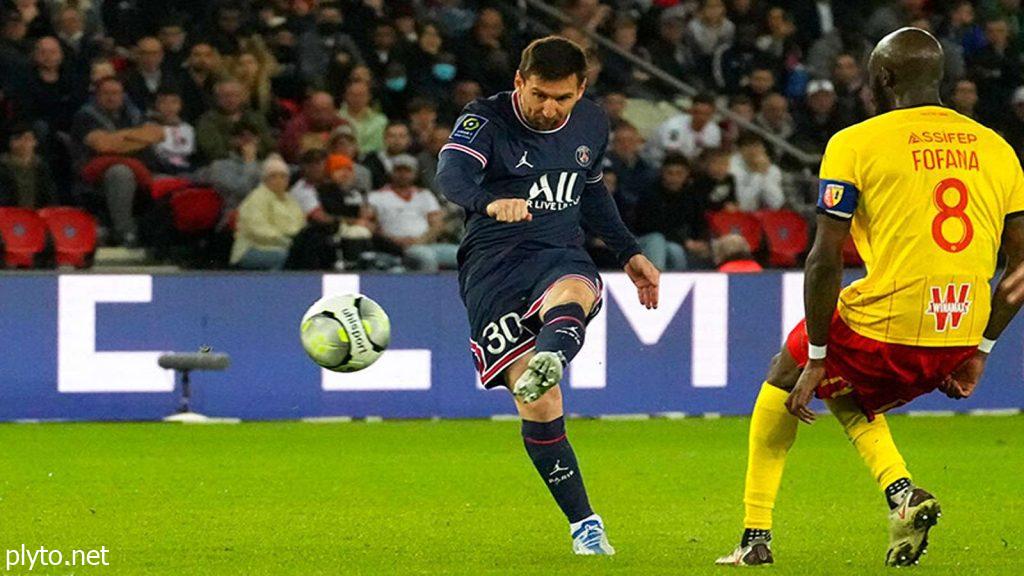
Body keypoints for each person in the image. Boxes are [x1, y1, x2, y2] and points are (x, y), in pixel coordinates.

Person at [716, 27, 1024, 567]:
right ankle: (900, 494)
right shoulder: (998, 148)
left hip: (886, 325)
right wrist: (981, 350)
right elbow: (1020, 268)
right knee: (847, 388)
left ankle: (754, 536)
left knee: (784, 377)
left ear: (882, 79)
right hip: (956, 334)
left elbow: (824, 258)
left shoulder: (854, 142)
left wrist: (813, 357)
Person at [435, 36, 659, 555]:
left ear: (581, 90)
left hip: (559, 249)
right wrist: (491, 202)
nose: (548, 108)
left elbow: (591, 189)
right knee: (538, 404)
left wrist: (628, 251)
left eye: (561, 97)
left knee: (575, 288)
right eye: (538, 94)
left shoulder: (591, 123)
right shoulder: (485, 119)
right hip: (493, 267)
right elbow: (452, 174)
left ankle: (552, 354)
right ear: (520, 81)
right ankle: (584, 522)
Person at [368, 154, 455, 272]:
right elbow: (370, 224)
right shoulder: (376, 197)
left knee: (461, 254)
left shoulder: (424, 195)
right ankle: (427, 289)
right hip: (395, 247)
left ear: (415, 174)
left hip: (425, 244)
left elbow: (437, 224)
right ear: (391, 172)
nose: (403, 175)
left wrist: (420, 241)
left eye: (407, 171)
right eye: (399, 170)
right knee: (425, 257)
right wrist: (392, 241)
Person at [634, 154, 709, 271]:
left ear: (686, 174)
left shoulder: (692, 195)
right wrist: (685, 242)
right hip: (646, 240)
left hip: (678, 242)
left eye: (679, 173)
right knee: (660, 242)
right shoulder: (650, 194)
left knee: (676, 251)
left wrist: (701, 241)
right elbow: (653, 226)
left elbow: (700, 222)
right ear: (663, 173)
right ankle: (655, 277)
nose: (674, 178)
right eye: (670, 173)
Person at [230, 155, 306, 270]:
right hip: (251, 247)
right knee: (280, 256)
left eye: (283, 176)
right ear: (265, 179)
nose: (279, 180)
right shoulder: (257, 198)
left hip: (283, 244)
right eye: (273, 176)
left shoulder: (290, 200)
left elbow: (299, 222)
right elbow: (257, 229)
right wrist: (284, 240)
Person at [0, 124, 56, 208]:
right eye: (18, 139)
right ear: (10, 143)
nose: (23, 143)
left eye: (27, 139)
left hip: (37, 216)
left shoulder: (41, 167)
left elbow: (50, 196)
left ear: (35, 142)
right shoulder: (2, 167)